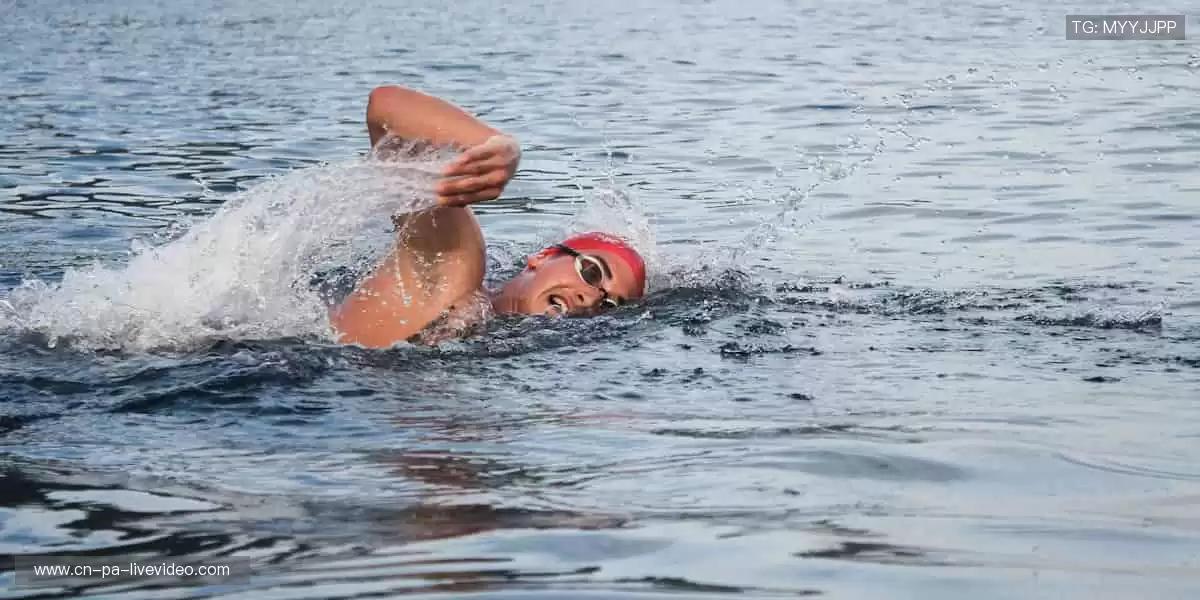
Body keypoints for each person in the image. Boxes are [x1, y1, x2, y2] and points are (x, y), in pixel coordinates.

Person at [329, 85, 648, 348]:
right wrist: (498, 145)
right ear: (542, 257)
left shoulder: (497, 333)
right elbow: (385, 105)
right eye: (591, 272)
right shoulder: (455, 270)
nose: (589, 298)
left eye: (608, 305)